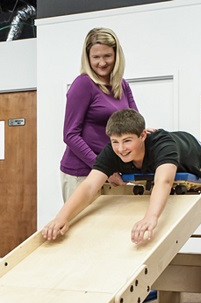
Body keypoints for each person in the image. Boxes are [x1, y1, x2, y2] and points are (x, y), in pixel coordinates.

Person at [43, 109, 201, 245]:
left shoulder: (163, 144)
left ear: (142, 135)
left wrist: (151, 217)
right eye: (115, 142)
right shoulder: (112, 151)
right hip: (156, 163)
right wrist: (61, 218)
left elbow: (164, 181)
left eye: (127, 141)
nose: (121, 148)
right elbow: (90, 185)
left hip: (193, 152)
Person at [60, 27, 139, 201]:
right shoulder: (83, 84)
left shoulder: (122, 85)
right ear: (88, 58)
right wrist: (103, 169)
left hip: (113, 171)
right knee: (83, 220)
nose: (102, 63)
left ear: (116, 56)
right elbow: (70, 135)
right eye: (96, 57)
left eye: (107, 56)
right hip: (83, 173)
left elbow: (135, 125)